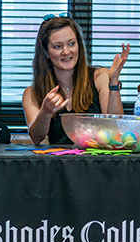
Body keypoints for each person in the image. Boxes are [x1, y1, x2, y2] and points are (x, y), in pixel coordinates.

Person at [22, 14, 130, 145]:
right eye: (57, 46)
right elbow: (36, 137)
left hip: (97, 162)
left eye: (71, 44)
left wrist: (113, 82)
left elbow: (117, 128)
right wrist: (45, 112)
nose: (66, 52)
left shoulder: (100, 77)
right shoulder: (31, 93)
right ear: (46, 52)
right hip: (58, 163)